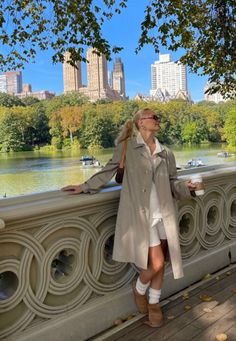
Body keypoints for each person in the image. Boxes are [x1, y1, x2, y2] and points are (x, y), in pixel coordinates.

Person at [62, 108, 196, 327]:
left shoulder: (166, 152)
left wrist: (187, 187)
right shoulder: (128, 148)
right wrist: (83, 186)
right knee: (158, 262)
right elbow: (108, 171)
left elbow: (173, 181)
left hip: (165, 212)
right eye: (154, 117)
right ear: (141, 123)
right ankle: (139, 289)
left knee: (162, 262)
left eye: (157, 117)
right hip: (141, 216)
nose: (158, 120)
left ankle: (154, 302)